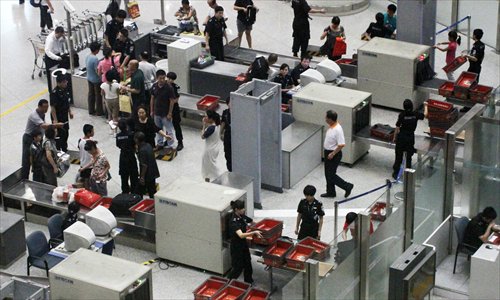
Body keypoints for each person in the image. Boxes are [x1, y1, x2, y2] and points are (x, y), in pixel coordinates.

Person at [22, 99, 63, 180]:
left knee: (38, 159)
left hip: (38, 138)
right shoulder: (34, 115)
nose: (46, 109)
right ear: (39, 106)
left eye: (47, 107)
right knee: (27, 160)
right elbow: (44, 125)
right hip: (29, 138)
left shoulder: (42, 114)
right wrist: (56, 125)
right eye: (44, 107)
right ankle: (24, 179)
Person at [227, 200, 262, 284]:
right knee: (237, 268)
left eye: (243, 208)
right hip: (236, 247)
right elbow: (241, 235)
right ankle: (228, 283)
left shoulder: (242, 216)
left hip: (243, 245)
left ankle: (248, 282)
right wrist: (254, 232)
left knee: (248, 264)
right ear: (236, 209)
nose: (243, 210)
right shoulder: (233, 222)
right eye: (241, 208)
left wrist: (261, 227)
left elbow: (252, 222)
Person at [392, 100, 428, 180]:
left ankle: (396, 173)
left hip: (401, 137)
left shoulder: (402, 115)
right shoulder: (415, 114)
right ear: (412, 106)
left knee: (398, 156)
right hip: (410, 137)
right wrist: (426, 106)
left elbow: (397, 128)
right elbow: (425, 115)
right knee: (408, 156)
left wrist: (395, 137)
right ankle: (408, 174)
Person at [322, 110, 354, 198]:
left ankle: (347, 186)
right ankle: (330, 192)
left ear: (331, 119)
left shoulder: (337, 129)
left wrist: (333, 153)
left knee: (331, 175)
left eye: (326, 118)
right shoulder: (331, 127)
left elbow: (341, 144)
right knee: (327, 174)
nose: (325, 119)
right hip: (328, 153)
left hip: (333, 154)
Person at [151, 70, 177, 150]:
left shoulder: (169, 87)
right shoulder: (154, 86)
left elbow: (172, 100)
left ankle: (170, 145)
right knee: (158, 129)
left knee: (169, 130)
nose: (162, 80)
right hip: (156, 112)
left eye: (163, 78)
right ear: (156, 78)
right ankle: (160, 143)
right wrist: (151, 111)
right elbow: (152, 98)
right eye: (160, 78)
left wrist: (170, 113)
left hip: (165, 113)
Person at [50, 74, 74, 152]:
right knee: (59, 134)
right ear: (59, 83)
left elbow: (67, 102)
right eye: (64, 82)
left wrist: (70, 112)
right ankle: (58, 150)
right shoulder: (54, 93)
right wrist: (55, 121)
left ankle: (64, 148)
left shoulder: (65, 90)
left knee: (66, 132)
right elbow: (53, 108)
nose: (66, 83)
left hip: (64, 115)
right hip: (58, 116)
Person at [135, 131, 161, 199]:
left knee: (139, 190)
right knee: (152, 190)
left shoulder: (142, 150)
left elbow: (144, 165)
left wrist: (142, 177)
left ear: (137, 140)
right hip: (153, 172)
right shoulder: (148, 145)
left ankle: (139, 202)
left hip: (147, 175)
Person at [116, 119, 139, 194]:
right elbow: (134, 144)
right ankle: (134, 193)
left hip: (122, 157)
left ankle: (125, 192)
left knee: (124, 176)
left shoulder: (118, 136)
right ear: (126, 126)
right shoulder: (131, 134)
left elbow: (118, 145)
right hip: (131, 156)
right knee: (133, 176)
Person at [201, 110, 222, 182]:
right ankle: (207, 179)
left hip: (209, 149)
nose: (205, 118)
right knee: (208, 165)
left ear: (211, 119)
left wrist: (203, 125)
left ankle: (219, 178)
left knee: (211, 166)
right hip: (215, 148)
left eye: (206, 116)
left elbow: (202, 136)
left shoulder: (211, 128)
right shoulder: (218, 125)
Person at [166, 72, 184, 151]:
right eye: (169, 78)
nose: (170, 80)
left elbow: (176, 99)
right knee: (166, 124)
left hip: (175, 108)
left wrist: (170, 101)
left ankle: (180, 142)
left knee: (176, 125)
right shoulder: (164, 85)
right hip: (165, 107)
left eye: (171, 79)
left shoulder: (176, 87)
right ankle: (168, 139)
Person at [44, 27, 66, 91]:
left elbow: (63, 41)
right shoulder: (50, 39)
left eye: (61, 35)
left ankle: (60, 88)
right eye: (59, 35)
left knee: (58, 74)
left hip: (57, 55)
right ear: (56, 33)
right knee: (51, 75)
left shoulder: (59, 36)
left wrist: (64, 38)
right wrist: (56, 58)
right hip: (50, 58)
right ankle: (51, 90)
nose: (60, 37)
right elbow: (47, 51)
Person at [100, 71, 121, 135]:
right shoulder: (116, 85)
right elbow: (118, 93)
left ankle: (111, 130)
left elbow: (102, 93)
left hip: (107, 100)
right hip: (115, 100)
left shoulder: (103, 85)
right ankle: (115, 131)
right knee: (115, 116)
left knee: (110, 115)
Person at [86, 42, 104, 116]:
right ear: (96, 50)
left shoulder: (88, 56)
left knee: (91, 94)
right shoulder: (95, 59)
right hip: (96, 80)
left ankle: (91, 110)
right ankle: (99, 112)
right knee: (98, 96)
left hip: (89, 77)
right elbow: (97, 71)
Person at [78, 124, 94, 189]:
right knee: (88, 181)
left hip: (82, 163)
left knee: (84, 181)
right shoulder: (90, 142)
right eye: (92, 131)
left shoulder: (80, 140)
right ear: (88, 133)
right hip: (89, 165)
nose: (93, 132)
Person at [220, 98, 232, 171]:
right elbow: (223, 123)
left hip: (236, 135)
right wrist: (220, 132)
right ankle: (229, 169)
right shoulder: (225, 113)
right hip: (228, 134)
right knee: (227, 153)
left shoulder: (239, 112)